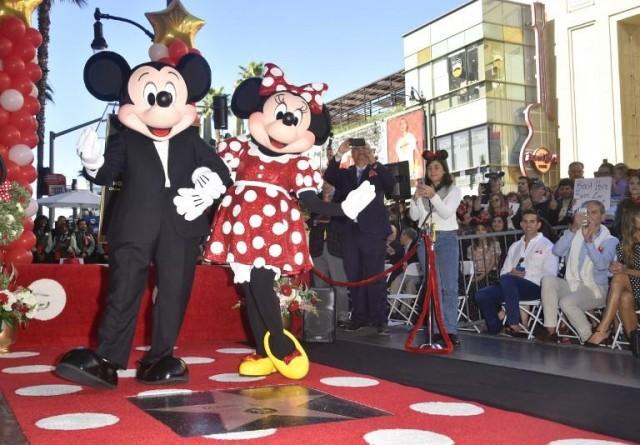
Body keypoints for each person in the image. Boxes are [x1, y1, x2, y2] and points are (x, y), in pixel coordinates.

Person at [55, 51, 231, 389]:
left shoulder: (191, 140)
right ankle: (107, 359)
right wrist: (92, 160)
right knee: (122, 290)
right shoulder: (126, 139)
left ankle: (161, 356)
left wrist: (207, 190)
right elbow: (106, 173)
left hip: (182, 223)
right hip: (134, 223)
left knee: (174, 292)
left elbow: (221, 173)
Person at [205, 63, 375, 380]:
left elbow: (309, 200)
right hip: (241, 226)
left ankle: (283, 346)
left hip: (272, 228)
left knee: (259, 282)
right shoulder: (240, 148)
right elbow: (213, 172)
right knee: (251, 291)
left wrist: (344, 209)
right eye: (280, 114)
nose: (284, 123)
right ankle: (263, 350)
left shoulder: (296, 161)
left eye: (294, 119)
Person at [326, 137, 396, 335]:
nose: (359, 153)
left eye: (363, 150)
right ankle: (358, 317)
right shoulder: (346, 174)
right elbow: (330, 176)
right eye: (355, 150)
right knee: (354, 276)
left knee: (375, 277)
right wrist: (339, 152)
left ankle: (379, 319)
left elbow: (390, 184)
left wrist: (374, 160)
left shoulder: (376, 171)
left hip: (373, 233)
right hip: (350, 233)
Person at [537, 200, 618, 343]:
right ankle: (550, 329)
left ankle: (588, 336)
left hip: (596, 289)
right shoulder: (574, 233)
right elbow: (557, 251)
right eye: (586, 212)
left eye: (594, 212)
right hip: (573, 284)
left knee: (566, 302)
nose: (590, 216)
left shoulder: (610, 240)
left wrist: (589, 242)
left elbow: (602, 264)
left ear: (603, 217)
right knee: (548, 280)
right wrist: (573, 229)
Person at [475, 209, 558, 336]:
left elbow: (550, 274)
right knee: (482, 294)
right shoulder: (515, 246)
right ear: (521, 224)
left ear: (538, 225)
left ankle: (513, 323)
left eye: (532, 221)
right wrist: (512, 273)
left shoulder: (548, 246)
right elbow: (504, 272)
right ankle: (495, 328)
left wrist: (525, 275)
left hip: (535, 287)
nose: (528, 225)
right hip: (511, 286)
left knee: (509, 280)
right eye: (525, 221)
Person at [409, 150, 462, 345]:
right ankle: (437, 328)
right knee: (434, 286)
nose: (433, 171)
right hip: (426, 239)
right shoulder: (425, 191)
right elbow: (415, 217)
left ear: (444, 170)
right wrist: (415, 199)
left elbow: (446, 212)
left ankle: (450, 329)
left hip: (446, 238)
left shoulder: (453, 190)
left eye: (437, 167)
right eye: (430, 168)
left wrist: (432, 196)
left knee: (449, 286)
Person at [584, 206, 640, 355]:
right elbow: (621, 269)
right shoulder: (623, 245)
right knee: (624, 296)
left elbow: (625, 272)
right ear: (631, 221)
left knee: (620, 277)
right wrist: (613, 267)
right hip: (633, 290)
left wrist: (624, 271)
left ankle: (603, 329)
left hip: (634, 285)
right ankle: (636, 343)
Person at [307, 182, 350, 326]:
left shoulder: (341, 200)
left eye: (330, 183)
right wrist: (315, 220)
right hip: (317, 248)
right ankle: (322, 316)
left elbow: (344, 222)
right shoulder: (315, 199)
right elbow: (310, 220)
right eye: (324, 182)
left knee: (340, 285)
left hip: (335, 248)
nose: (326, 185)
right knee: (319, 285)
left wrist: (329, 218)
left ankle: (342, 316)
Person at [612, 170, 640, 238]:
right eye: (631, 183)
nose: (634, 186)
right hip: (626, 239)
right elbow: (617, 225)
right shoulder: (623, 204)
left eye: (638, 183)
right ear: (628, 186)